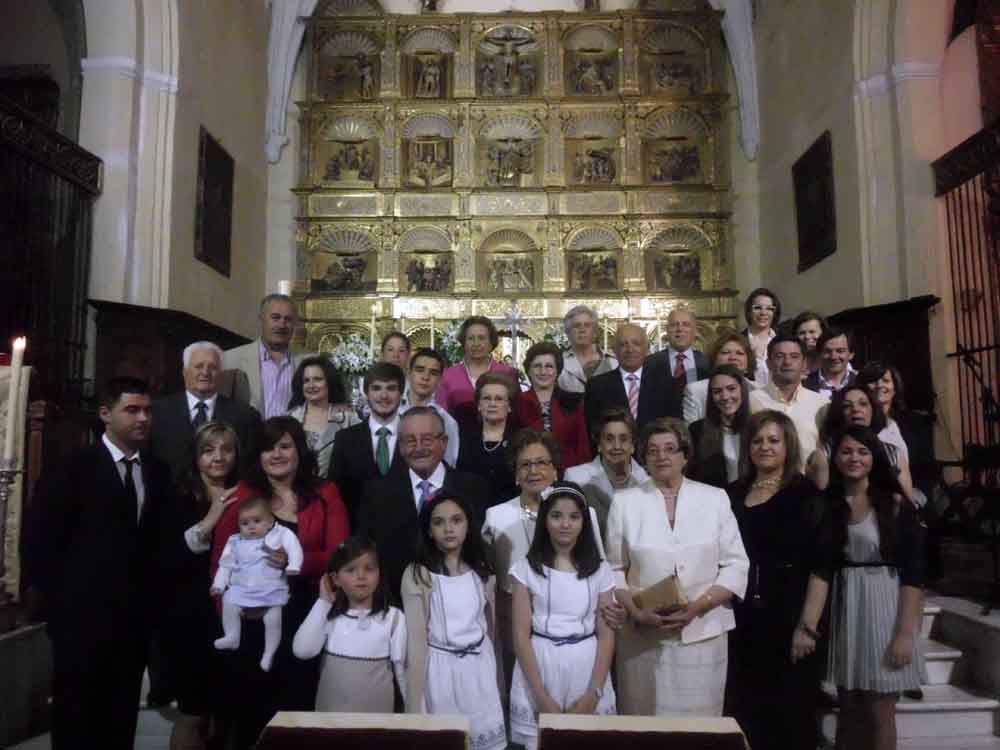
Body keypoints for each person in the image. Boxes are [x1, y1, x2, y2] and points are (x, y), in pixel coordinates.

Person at [23, 377, 172, 750]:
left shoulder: (157, 471)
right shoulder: (73, 467)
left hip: (132, 627)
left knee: (120, 723)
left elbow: (155, 546)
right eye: (132, 410)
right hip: (80, 624)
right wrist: (62, 607)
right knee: (76, 721)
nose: (143, 419)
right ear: (105, 414)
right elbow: (39, 541)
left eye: (147, 411)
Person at [210, 416, 351, 747]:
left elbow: (339, 554)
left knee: (298, 709)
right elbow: (222, 560)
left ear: (299, 450)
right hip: (251, 617)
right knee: (252, 714)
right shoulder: (243, 495)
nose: (276, 454)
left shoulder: (325, 493)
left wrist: (295, 562)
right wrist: (230, 614)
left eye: (285, 446)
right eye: (267, 448)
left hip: (306, 613)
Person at [605, 417, 749, 716]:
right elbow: (613, 569)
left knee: (697, 728)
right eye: (653, 450)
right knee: (645, 726)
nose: (661, 457)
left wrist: (697, 606)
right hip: (643, 637)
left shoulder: (715, 498)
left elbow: (736, 564)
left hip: (703, 634)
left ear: (685, 455)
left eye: (670, 449)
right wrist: (635, 612)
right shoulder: (625, 502)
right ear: (643, 457)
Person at [725, 411, 833, 750]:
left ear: (789, 444)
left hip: (791, 620)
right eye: (757, 441)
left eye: (773, 440)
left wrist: (807, 626)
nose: (764, 447)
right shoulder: (731, 494)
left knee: (791, 718)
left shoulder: (806, 495)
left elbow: (821, 566)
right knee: (746, 716)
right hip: (743, 623)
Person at [482, 430, 606, 697]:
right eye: (525, 465)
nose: (533, 471)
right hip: (514, 622)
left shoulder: (585, 514)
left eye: (541, 463)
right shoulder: (496, 517)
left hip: (575, 624)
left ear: (555, 470)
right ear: (515, 474)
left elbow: (599, 569)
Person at [825, 426, 926, 750]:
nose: (854, 458)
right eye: (846, 451)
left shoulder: (894, 504)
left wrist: (905, 634)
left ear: (874, 457)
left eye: (862, 451)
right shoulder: (830, 504)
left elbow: (913, 575)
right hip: (846, 608)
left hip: (884, 607)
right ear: (835, 457)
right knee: (849, 707)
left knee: (880, 710)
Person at [509, 482, 618, 749]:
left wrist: (594, 692)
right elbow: (521, 636)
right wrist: (542, 697)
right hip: (541, 663)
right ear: (545, 520)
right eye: (556, 516)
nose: (565, 524)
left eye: (574, 517)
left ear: (584, 521)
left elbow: (606, 635)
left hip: (586, 663)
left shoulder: (600, 570)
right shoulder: (526, 569)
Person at [153, 421, 240, 750]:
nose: (218, 457)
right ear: (196, 456)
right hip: (191, 617)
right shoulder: (179, 494)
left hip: (233, 615)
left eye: (226, 449)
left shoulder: (244, 492)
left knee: (226, 714)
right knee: (194, 713)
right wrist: (211, 517)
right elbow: (170, 556)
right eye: (209, 450)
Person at [402, 494, 506, 750]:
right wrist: (414, 705)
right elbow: (416, 644)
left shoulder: (482, 571)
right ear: (428, 530)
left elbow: (493, 635)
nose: (448, 529)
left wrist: (499, 683)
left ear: (468, 524)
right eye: (439, 522)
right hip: (440, 673)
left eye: (456, 520)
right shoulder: (419, 575)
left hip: (479, 670)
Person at [358, 407, 490, 603]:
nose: (419, 448)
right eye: (410, 441)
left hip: (462, 606)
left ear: (444, 442)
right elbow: (367, 554)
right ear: (400, 446)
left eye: (427, 440)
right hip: (397, 607)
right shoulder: (376, 493)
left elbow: (481, 551)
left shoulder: (474, 489)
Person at [292, 536, 407, 712]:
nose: (361, 576)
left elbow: (402, 672)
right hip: (331, 723)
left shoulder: (393, 618)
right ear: (335, 579)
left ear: (379, 574)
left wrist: (413, 714)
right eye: (351, 570)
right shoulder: (328, 616)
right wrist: (323, 602)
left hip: (377, 724)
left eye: (369, 569)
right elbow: (302, 650)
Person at [212, 497, 305, 671]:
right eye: (245, 523)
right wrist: (219, 584)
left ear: (270, 522)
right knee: (229, 602)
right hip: (242, 588)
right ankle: (232, 635)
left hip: (270, 588)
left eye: (257, 521)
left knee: (273, 619)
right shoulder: (235, 541)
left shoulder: (279, 534)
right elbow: (225, 565)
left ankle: (269, 652)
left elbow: (294, 548)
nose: (251, 526)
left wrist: (294, 565)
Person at [150, 341, 260, 479]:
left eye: (212, 367)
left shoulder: (246, 416)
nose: (205, 372)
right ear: (185, 372)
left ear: (221, 374)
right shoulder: (156, 412)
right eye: (198, 366)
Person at [806, 385, 918, 504]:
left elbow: (908, 501)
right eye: (847, 406)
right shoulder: (825, 453)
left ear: (873, 410)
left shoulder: (892, 453)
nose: (855, 409)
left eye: (863, 404)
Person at [328, 362, 408, 528]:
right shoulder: (345, 439)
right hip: (358, 539)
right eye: (376, 388)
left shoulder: (415, 436)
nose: (383, 396)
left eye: (391, 388)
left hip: (408, 539)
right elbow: (335, 496)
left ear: (401, 393)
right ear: (366, 393)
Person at [224, 294, 316, 418]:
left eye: (288, 319)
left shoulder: (311, 361)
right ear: (261, 319)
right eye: (275, 317)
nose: (282, 325)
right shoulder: (231, 359)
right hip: (249, 435)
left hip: (294, 435)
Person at [857, 361, 937, 502]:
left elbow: (927, 466)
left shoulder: (915, 423)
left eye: (886, 380)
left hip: (912, 504)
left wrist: (919, 496)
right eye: (873, 381)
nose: (880, 385)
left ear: (895, 388)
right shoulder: (857, 424)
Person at [565, 407, 649, 535]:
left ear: (632, 446)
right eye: (609, 439)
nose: (616, 446)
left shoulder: (647, 482)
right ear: (599, 445)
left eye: (623, 439)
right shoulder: (576, 478)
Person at [750, 334, 829, 464]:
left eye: (794, 357)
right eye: (779, 356)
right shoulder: (752, 400)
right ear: (768, 362)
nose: (787, 362)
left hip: (807, 483)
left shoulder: (822, 404)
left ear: (804, 363)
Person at [518, 341, 592, 469]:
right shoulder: (517, 403)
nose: (543, 371)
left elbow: (582, 444)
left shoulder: (573, 401)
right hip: (529, 471)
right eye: (537, 366)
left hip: (568, 472)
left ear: (557, 371)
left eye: (549, 366)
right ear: (528, 370)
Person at [585, 323, 668, 436]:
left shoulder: (665, 384)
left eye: (636, 344)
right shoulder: (596, 386)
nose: (630, 350)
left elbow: (673, 427)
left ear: (647, 349)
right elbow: (593, 430)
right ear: (614, 350)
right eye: (623, 344)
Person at [436, 315, 519, 423]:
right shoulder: (447, 376)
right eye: (471, 338)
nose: (476, 344)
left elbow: (516, 412)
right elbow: (441, 414)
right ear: (464, 343)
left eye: (481, 338)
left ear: (491, 343)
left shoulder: (507, 373)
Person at [288, 355, 359, 478]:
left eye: (317, 379)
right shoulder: (290, 418)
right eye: (306, 380)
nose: (311, 385)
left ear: (329, 382)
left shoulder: (348, 419)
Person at [457, 372, 520, 507]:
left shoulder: (521, 439)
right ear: (479, 405)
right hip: (471, 512)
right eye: (487, 398)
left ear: (509, 406)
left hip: (511, 514)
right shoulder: (463, 437)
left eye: (499, 399)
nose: (492, 403)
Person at [688, 365, 750, 488]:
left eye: (731, 389)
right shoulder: (697, 431)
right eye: (717, 391)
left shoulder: (757, 428)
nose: (725, 397)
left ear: (742, 390)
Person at [400, 347, 460, 468]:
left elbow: (449, 464)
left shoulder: (446, 421)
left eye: (433, 373)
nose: (425, 377)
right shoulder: (392, 412)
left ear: (439, 380)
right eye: (420, 370)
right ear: (409, 373)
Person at [682, 330, 758, 423]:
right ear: (714, 358)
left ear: (748, 360)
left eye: (740, 353)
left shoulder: (757, 389)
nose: (733, 357)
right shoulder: (695, 390)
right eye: (725, 352)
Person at [647, 308, 711, 414]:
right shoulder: (650, 363)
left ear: (695, 331)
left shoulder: (707, 363)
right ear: (667, 330)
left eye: (686, 324)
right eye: (674, 325)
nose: (680, 329)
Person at [558, 305, 618, 394]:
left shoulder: (613, 362)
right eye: (576, 325)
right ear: (568, 332)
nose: (582, 330)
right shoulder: (559, 362)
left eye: (587, 325)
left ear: (594, 332)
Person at [741, 288, 782, 382]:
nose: (763, 313)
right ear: (749, 311)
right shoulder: (738, 340)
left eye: (769, 309)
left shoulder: (783, 339)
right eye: (757, 308)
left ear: (775, 313)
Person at [804, 326, 857, 397]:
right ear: (819, 354)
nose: (833, 357)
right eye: (827, 351)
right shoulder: (803, 386)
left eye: (840, 351)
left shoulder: (861, 382)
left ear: (851, 354)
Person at [792, 310, 827, 379]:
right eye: (802, 333)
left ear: (823, 333)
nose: (807, 337)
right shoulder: (790, 361)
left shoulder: (833, 358)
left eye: (812, 332)